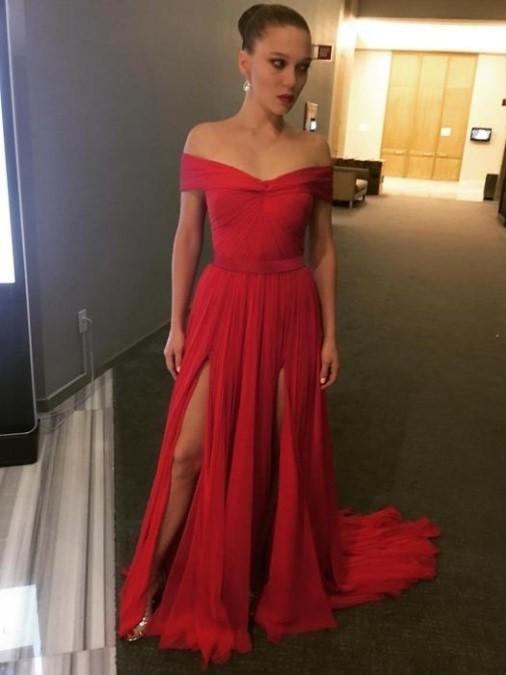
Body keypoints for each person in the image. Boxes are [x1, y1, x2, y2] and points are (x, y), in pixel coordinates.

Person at [117, 3, 442, 669]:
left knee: (277, 452)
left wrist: (330, 333)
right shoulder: (204, 139)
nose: (291, 81)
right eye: (277, 64)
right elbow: (187, 237)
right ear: (244, 62)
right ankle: (155, 577)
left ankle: (261, 567)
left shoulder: (312, 150)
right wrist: (177, 321)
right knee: (188, 453)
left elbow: (322, 248)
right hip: (223, 306)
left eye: (300, 67)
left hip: (290, 309)